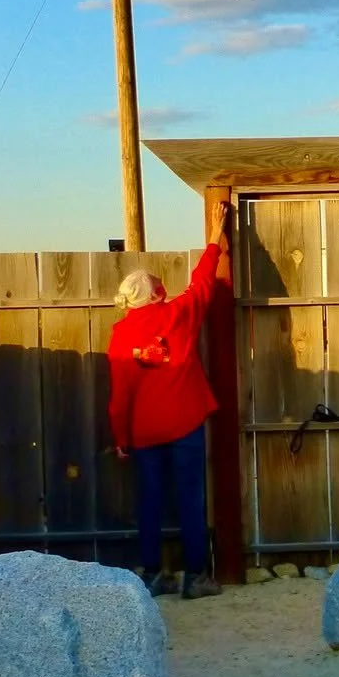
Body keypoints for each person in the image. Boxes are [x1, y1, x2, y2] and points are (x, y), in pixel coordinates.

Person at [108, 239, 223, 599]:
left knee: (150, 502)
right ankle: (195, 576)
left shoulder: (121, 335)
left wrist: (121, 438)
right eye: (160, 285)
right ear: (156, 295)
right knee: (191, 499)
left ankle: (153, 574)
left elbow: (119, 397)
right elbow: (202, 285)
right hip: (184, 422)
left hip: (144, 431)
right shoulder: (178, 315)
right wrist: (214, 244)